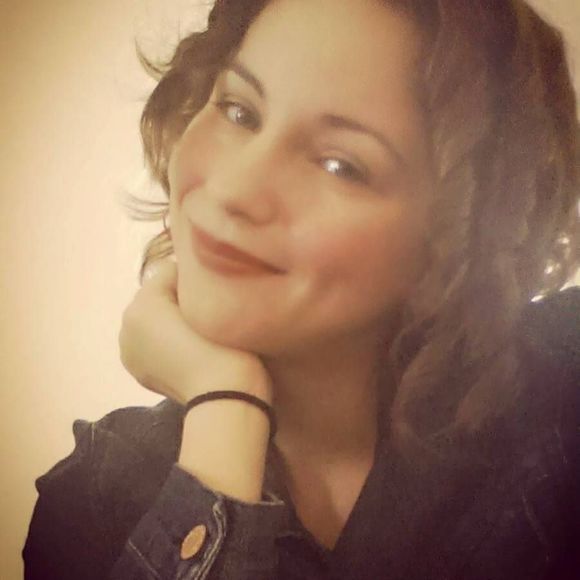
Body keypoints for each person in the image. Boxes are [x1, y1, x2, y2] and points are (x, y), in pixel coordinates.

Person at [23, 0, 580, 578]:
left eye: (340, 166)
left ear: (457, 234)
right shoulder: (92, 505)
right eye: (239, 111)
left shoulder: (562, 394)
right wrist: (224, 405)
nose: (234, 190)